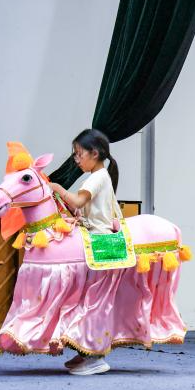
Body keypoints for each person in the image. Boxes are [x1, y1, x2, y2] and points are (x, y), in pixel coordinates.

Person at [47, 129, 122, 375]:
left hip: (99, 243)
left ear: (94, 153)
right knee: (88, 302)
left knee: (93, 304)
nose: (76, 159)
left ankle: (96, 357)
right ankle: (86, 351)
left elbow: (78, 201)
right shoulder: (97, 177)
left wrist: (57, 187)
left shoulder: (96, 178)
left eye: (79, 154)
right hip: (95, 239)